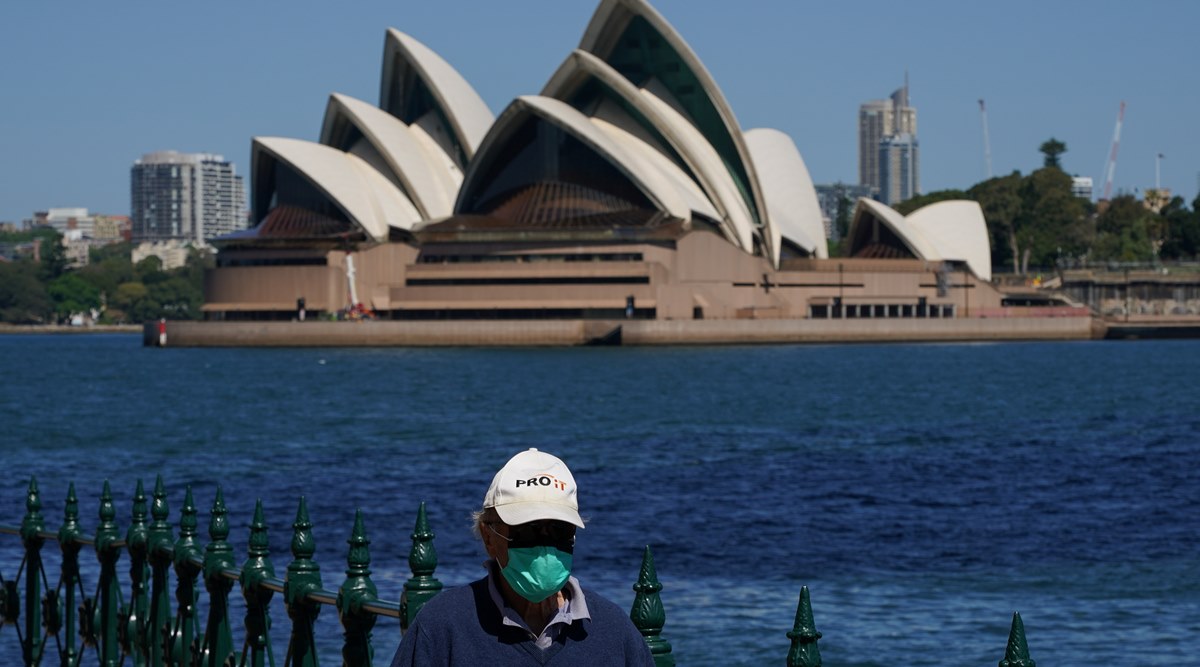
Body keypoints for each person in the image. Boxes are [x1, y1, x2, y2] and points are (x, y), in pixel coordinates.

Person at [390, 448, 653, 666]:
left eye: (559, 530)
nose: (545, 544)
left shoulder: (614, 631)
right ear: (489, 536)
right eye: (528, 530)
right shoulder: (443, 626)